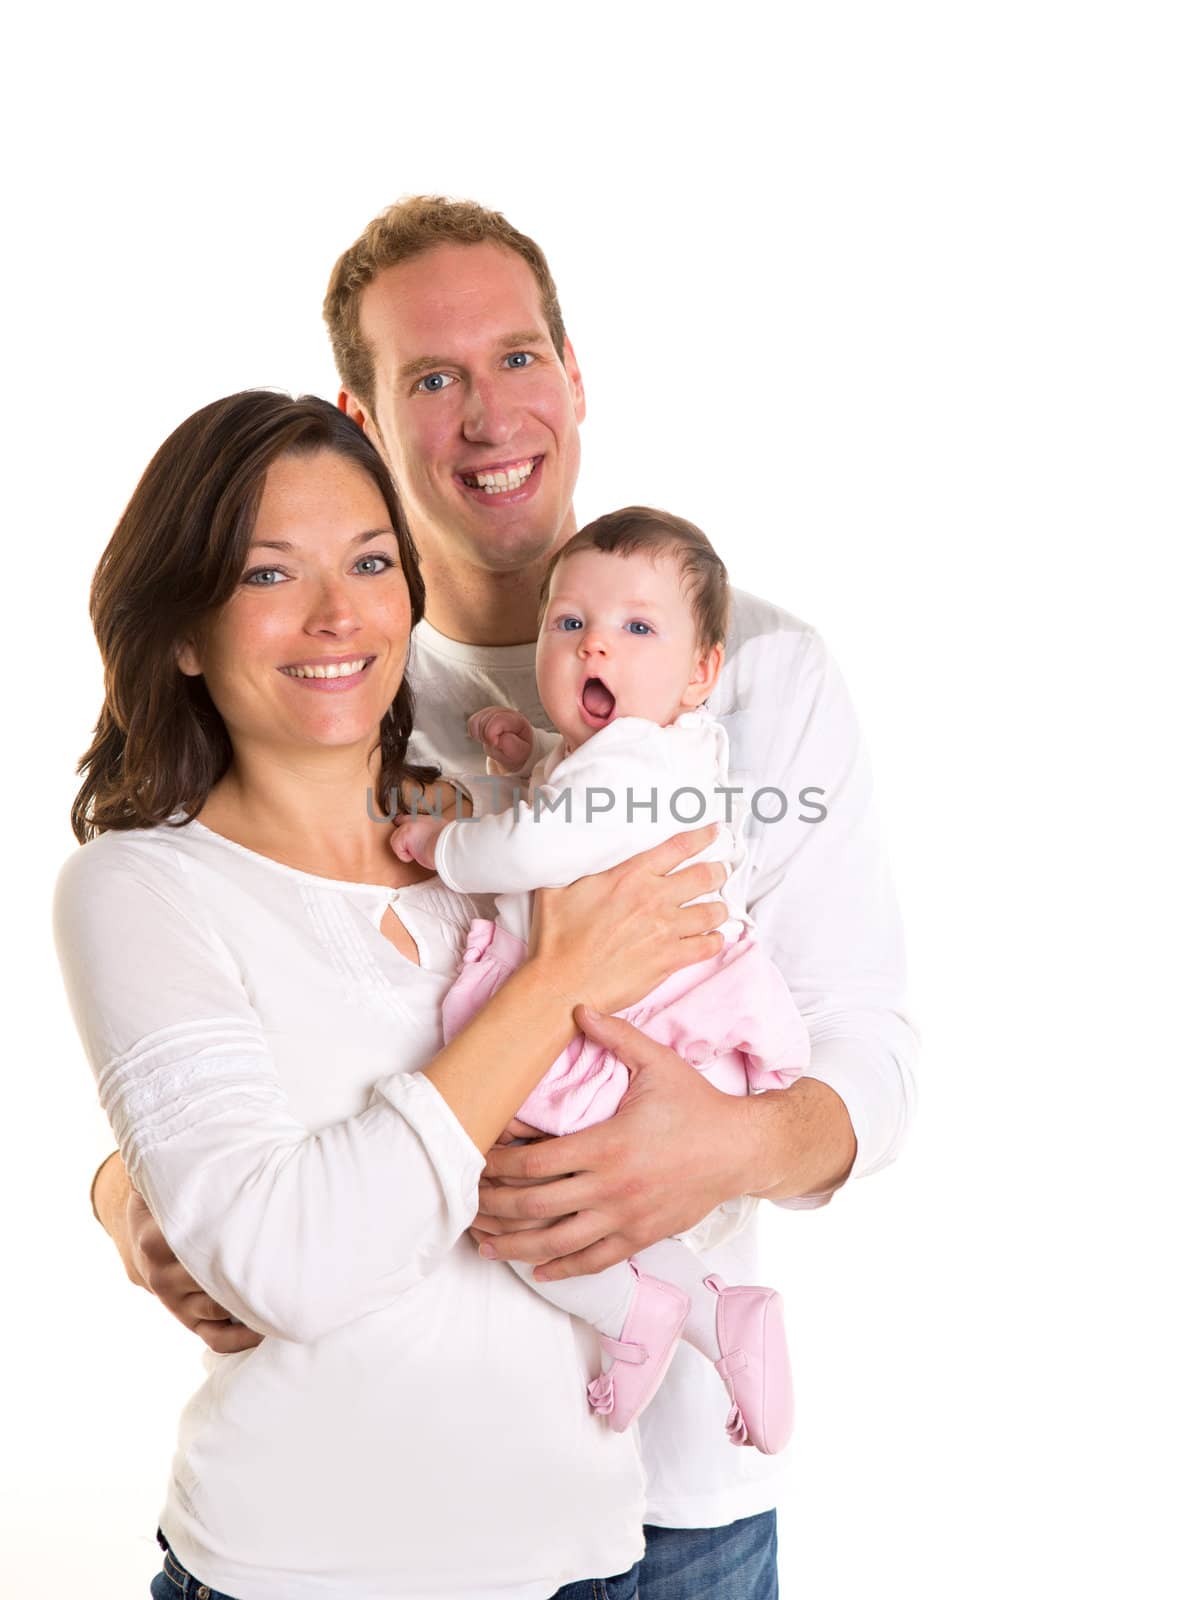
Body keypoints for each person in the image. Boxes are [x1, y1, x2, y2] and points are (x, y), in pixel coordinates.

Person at [91, 196, 918, 1596]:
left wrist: (720, 1149)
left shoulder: (758, 672)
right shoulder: (332, 669)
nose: (489, 414)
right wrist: (128, 1196)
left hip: (683, 1495)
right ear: (360, 417)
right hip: (400, 1496)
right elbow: (202, 979)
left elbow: (873, 1061)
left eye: (518, 358)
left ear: (576, 373)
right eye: (431, 377)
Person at [59, 390, 732, 1599]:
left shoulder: (493, 837)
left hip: (593, 1561)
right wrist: (561, 977)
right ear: (181, 631)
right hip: (307, 1571)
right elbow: (292, 1266)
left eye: (372, 560)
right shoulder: (140, 886)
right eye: (269, 574)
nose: (337, 612)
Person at [393, 506, 811, 1455]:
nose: (596, 647)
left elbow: (544, 842)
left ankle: (642, 1311)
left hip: (621, 1026)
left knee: (508, 1192)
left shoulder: (624, 761)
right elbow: (589, 796)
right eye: (569, 624)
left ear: (702, 670)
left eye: (637, 628)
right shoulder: (662, 747)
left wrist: (445, 844)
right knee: (553, 1192)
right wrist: (527, 754)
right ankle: (711, 1313)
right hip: (668, 1016)